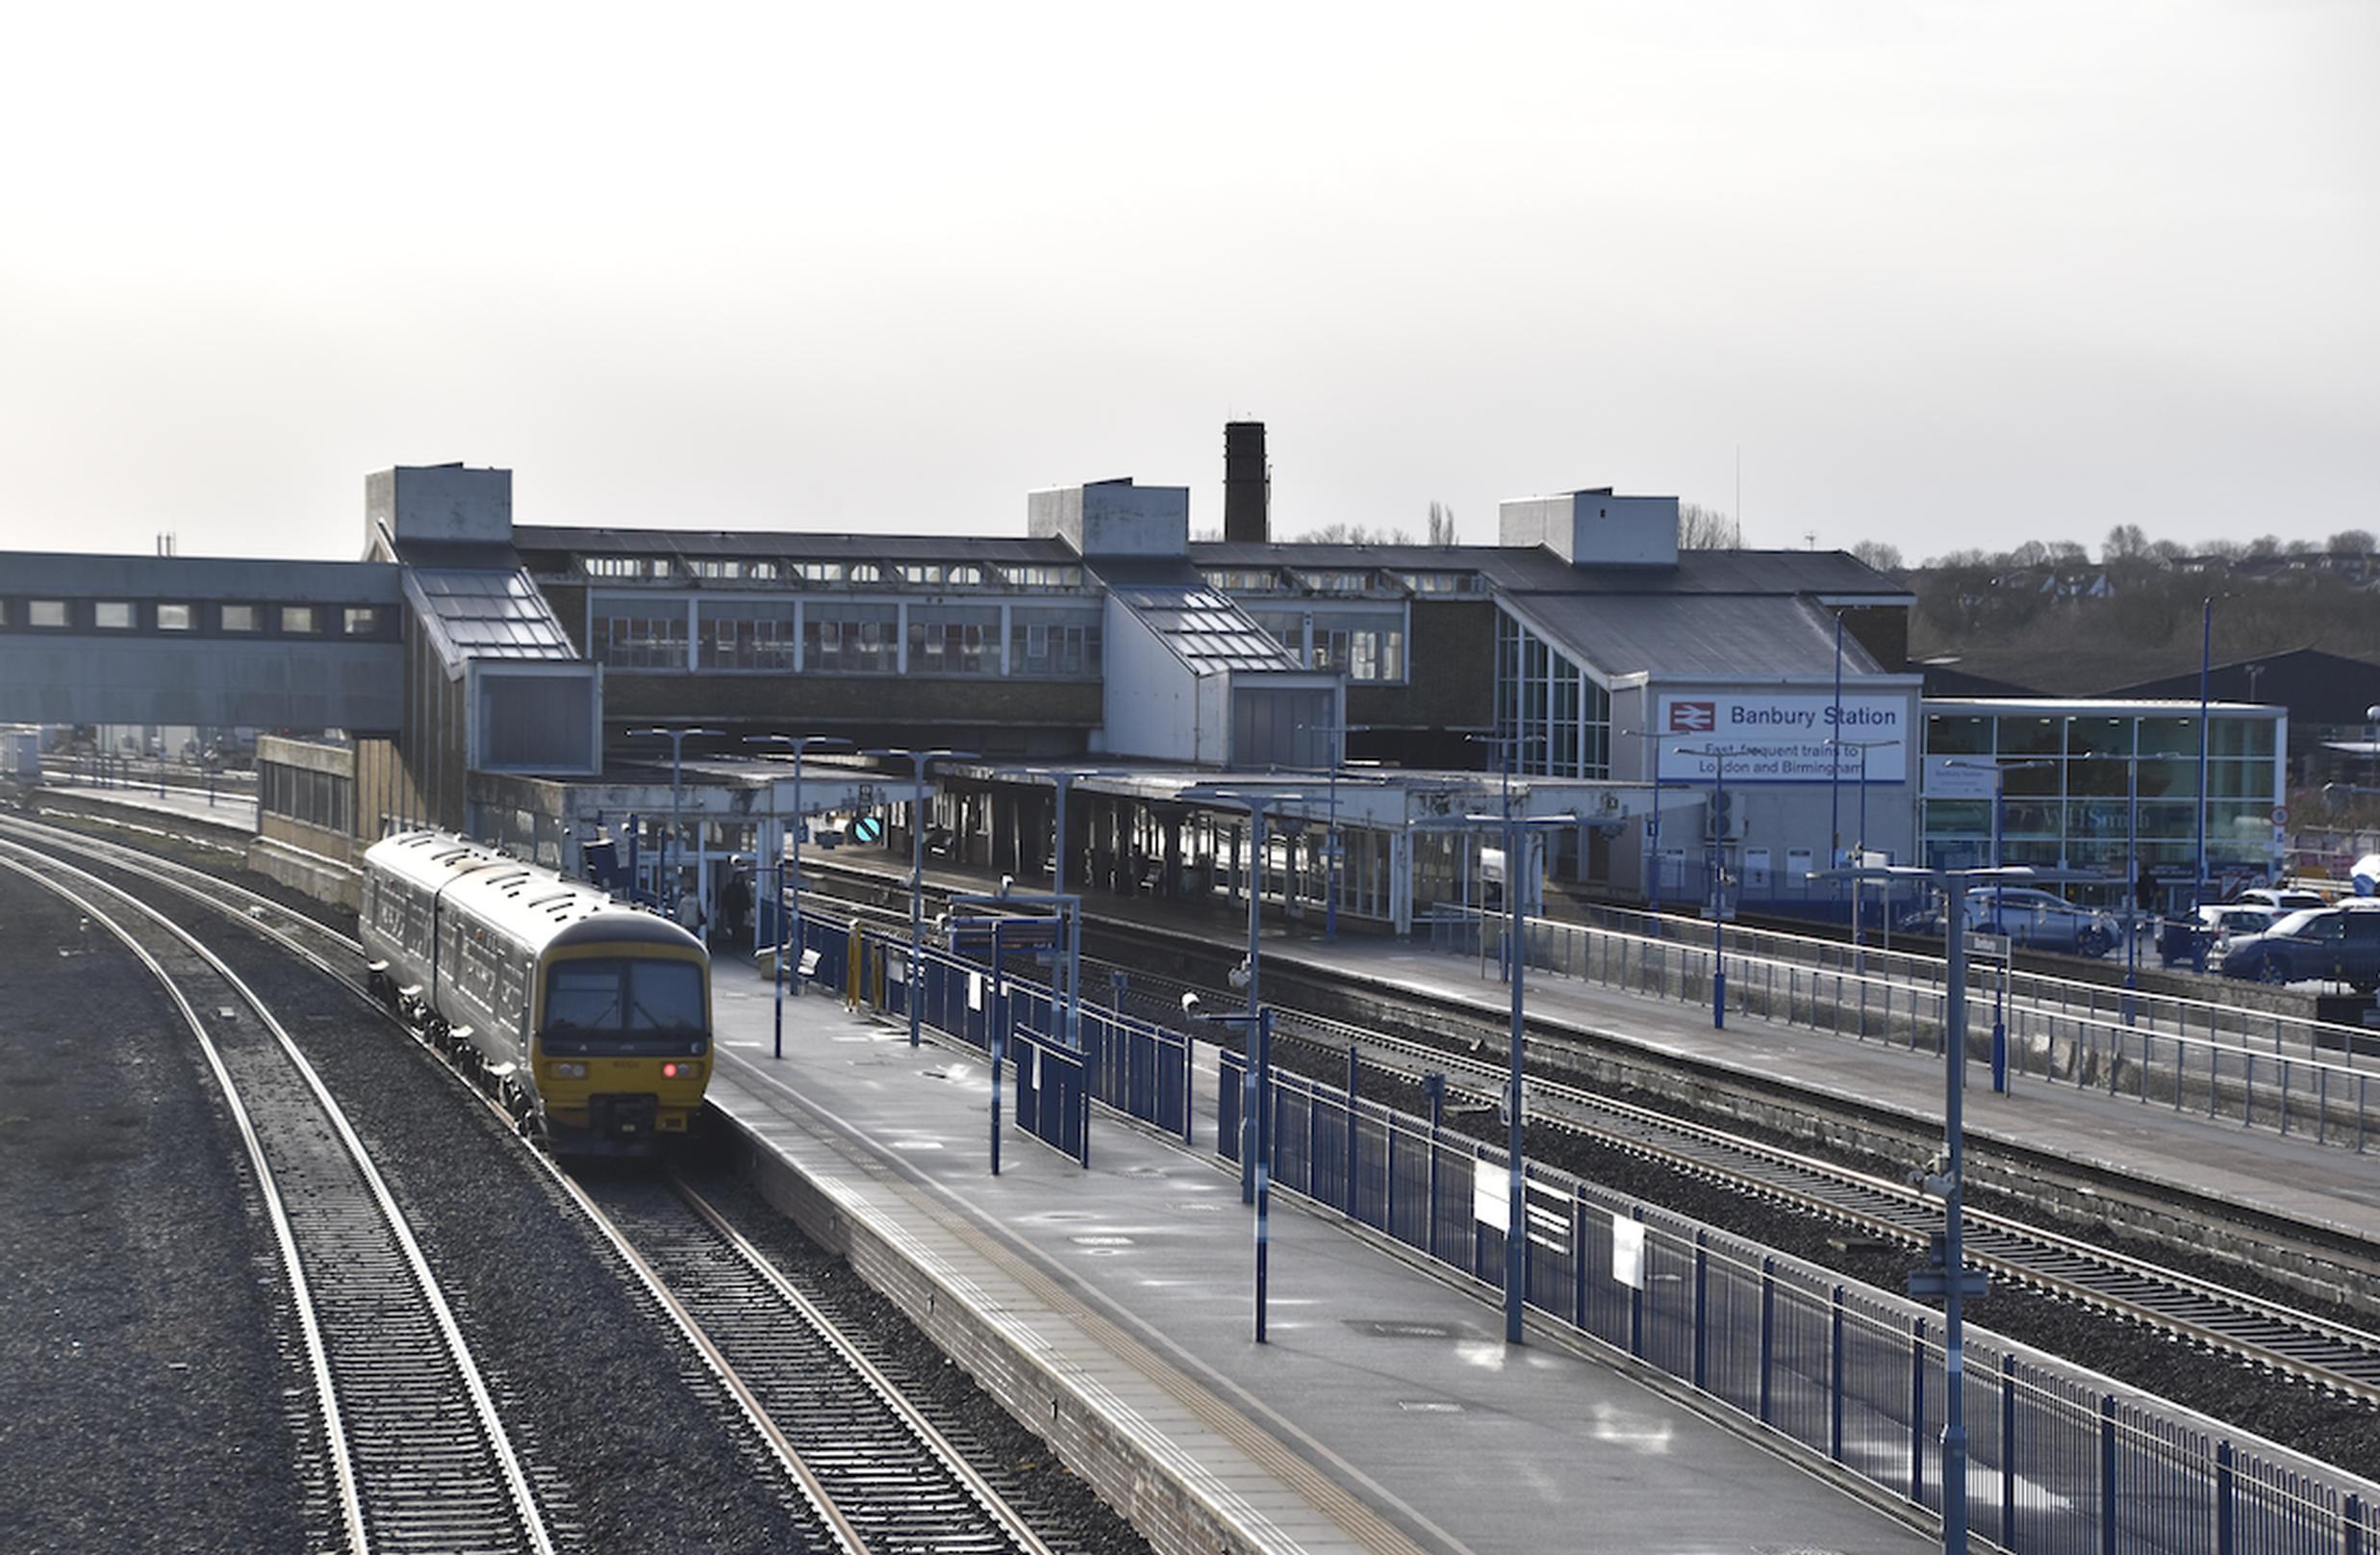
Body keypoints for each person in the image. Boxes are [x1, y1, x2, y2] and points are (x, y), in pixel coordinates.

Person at [720, 864, 753, 950]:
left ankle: (737, 941)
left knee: (739, 926)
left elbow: (746, 899)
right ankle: (735, 941)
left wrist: (747, 909)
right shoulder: (732, 887)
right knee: (734, 926)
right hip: (732, 910)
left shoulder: (741, 888)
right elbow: (725, 898)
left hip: (739, 910)